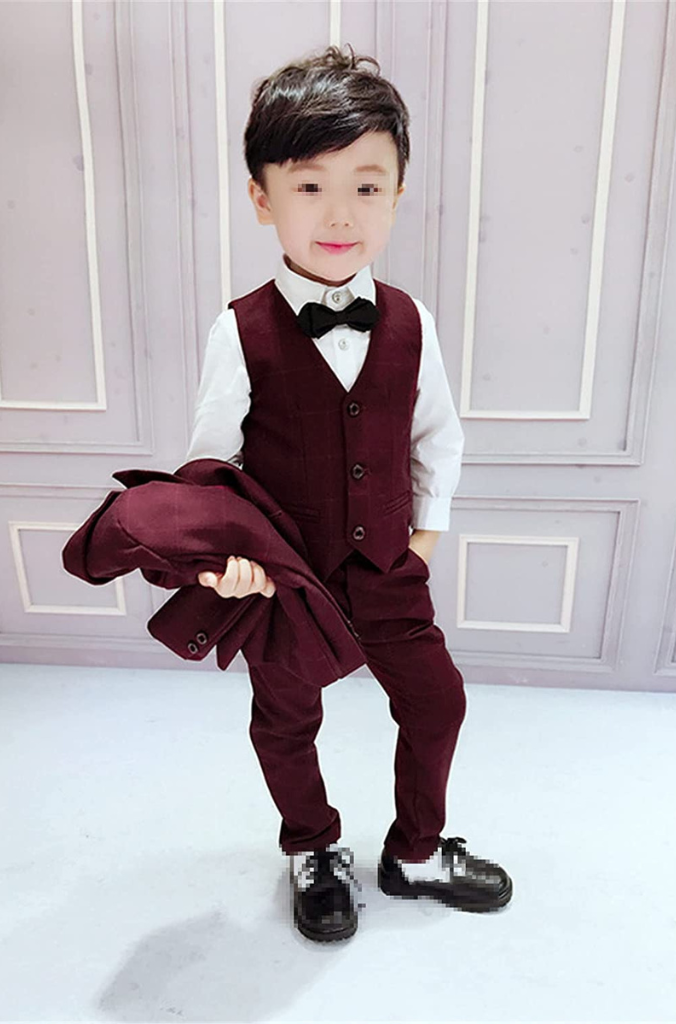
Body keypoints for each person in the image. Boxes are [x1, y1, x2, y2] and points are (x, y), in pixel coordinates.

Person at [187, 43, 512, 943]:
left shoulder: (412, 319)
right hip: (288, 582)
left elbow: (437, 434)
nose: (340, 213)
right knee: (286, 718)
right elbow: (211, 467)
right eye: (309, 185)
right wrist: (231, 560)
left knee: (437, 700)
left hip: (388, 568)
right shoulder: (239, 329)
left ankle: (415, 851)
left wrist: (424, 540)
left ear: (398, 194)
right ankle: (312, 846)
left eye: (367, 187)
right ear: (262, 197)